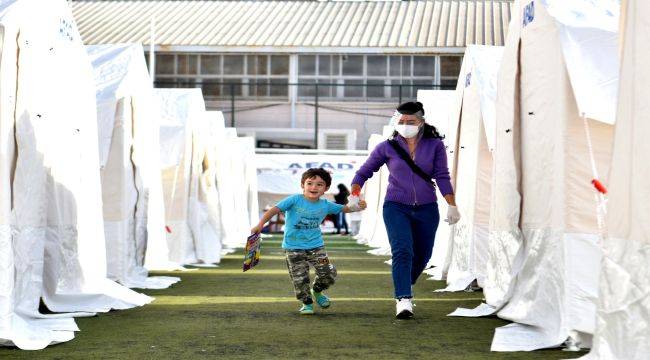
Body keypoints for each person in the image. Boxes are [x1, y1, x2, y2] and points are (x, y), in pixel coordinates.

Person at [351, 101, 461, 319]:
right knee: (402, 251)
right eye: (401, 121)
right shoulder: (387, 147)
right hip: (395, 206)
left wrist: (451, 204)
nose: (405, 125)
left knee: (423, 255)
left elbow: (442, 175)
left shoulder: (435, 145)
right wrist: (355, 194)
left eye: (411, 121)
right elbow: (363, 172)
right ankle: (403, 299)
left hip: (427, 208)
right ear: (396, 122)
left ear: (421, 122)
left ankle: (404, 282)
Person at [251, 168, 367, 315]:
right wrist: (260, 224)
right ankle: (307, 303)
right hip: (293, 247)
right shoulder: (294, 200)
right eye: (310, 183)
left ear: (326, 189)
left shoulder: (326, 204)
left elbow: (346, 209)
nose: (314, 187)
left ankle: (317, 291)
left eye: (319, 184)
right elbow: (273, 210)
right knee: (300, 278)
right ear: (302, 185)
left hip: (317, 247)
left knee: (328, 272)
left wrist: (358, 205)